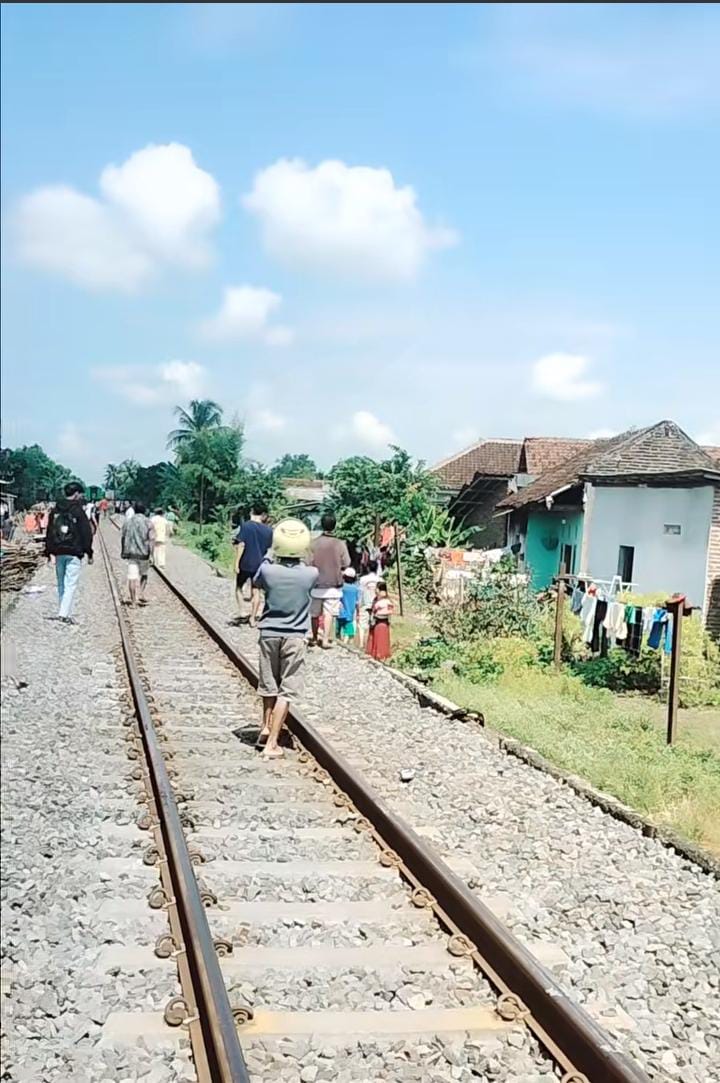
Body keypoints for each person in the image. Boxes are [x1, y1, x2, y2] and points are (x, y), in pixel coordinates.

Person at [254, 519, 318, 759]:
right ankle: (272, 744)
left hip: (269, 632)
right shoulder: (310, 574)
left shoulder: (268, 570)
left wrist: (271, 553)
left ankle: (265, 727)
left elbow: (257, 580)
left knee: (269, 685)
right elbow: (310, 564)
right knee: (286, 690)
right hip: (295, 636)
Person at [44, 481, 94, 624]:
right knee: (71, 583)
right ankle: (64, 613)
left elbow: (49, 532)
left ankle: (62, 610)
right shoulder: (78, 511)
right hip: (74, 552)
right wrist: (89, 552)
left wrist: (49, 551)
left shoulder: (55, 510)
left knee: (61, 583)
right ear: (77, 493)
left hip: (59, 551)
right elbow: (86, 533)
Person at [310, 512, 351, 648]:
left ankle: (315, 637)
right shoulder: (340, 544)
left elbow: (307, 562)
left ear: (321, 525)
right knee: (328, 613)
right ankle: (326, 640)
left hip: (316, 583)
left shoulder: (313, 543)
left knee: (315, 613)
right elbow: (347, 562)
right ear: (334, 526)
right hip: (333, 584)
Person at [232, 503, 273, 627]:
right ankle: (253, 618)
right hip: (259, 564)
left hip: (245, 562)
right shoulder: (269, 530)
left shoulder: (246, 526)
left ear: (251, 512)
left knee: (239, 587)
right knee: (256, 591)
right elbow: (268, 548)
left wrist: (236, 562)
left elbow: (241, 545)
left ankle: (242, 611)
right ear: (263, 515)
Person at [121, 501, 154, 607]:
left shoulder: (128, 522)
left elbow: (123, 537)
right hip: (144, 553)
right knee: (144, 574)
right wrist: (152, 554)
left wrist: (123, 551)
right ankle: (141, 593)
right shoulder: (148, 522)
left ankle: (133, 602)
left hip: (131, 553)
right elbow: (151, 539)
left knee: (132, 577)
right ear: (145, 510)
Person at [366, 581, 393, 661]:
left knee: (379, 639)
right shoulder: (383, 599)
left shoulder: (382, 600)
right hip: (381, 622)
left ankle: (378, 655)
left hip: (380, 622)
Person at [358, 558, 381, 647]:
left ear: (367, 568)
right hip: (376, 605)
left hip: (364, 603)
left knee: (362, 624)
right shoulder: (380, 580)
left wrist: (358, 603)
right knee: (373, 623)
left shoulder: (362, 579)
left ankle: (361, 643)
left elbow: (360, 592)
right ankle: (370, 644)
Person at [337, 568, 361, 641]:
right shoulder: (356, 589)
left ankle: (339, 642)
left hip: (339, 612)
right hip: (350, 613)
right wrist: (358, 613)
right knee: (349, 633)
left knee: (337, 630)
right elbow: (357, 603)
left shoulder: (341, 587)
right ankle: (345, 642)